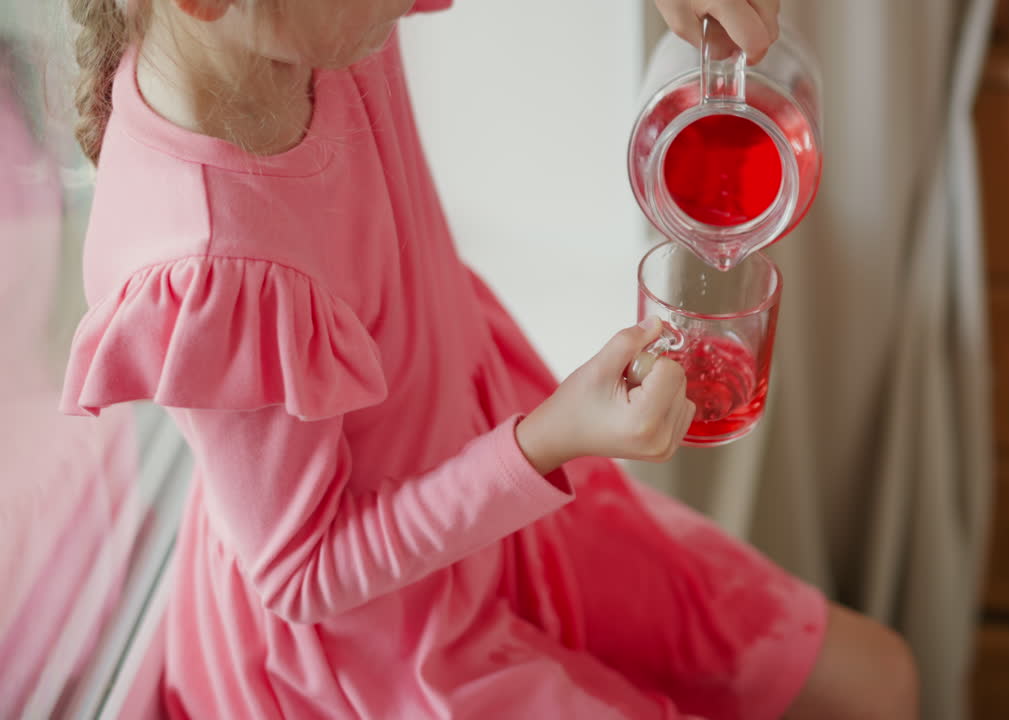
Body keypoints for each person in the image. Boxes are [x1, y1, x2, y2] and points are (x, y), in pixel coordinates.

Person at [59, 0, 918, 717]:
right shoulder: (214, 262)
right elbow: (307, 573)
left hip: (500, 502)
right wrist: (547, 440)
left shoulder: (290, 31)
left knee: (879, 678)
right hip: (390, 646)